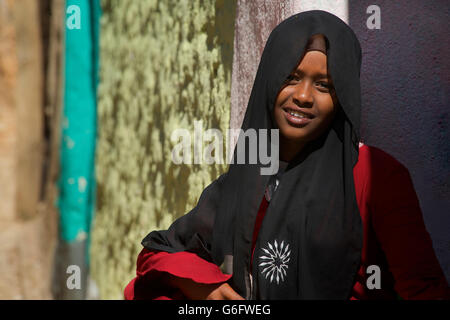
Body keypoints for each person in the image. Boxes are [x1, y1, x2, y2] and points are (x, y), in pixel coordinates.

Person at [124, 10, 450, 300]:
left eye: (323, 85)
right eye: (291, 78)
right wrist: (205, 287)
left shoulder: (374, 176)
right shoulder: (247, 175)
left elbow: (423, 289)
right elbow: (159, 253)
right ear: (269, 80)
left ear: (343, 97)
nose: (304, 96)